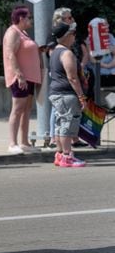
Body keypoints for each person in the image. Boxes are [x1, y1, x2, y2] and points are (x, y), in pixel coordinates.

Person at [2, 5, 42, 154]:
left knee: (26, 110)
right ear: (21, 18)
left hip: (30, 77)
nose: (31, 19)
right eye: (29, 17)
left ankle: (24, 142)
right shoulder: (13, 32)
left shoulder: (23, 32)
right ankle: (12, 143)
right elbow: (10, 54)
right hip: (21, 78)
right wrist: (19, 75)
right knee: (17, 109)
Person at [48, 22, 88, 167]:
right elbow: (72, 77)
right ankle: (67, 156)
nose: (74, 36)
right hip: (66, 94)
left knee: (60, 124)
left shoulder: (54, 51)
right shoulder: (66, 53)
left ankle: (60, 155)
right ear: (66, 36)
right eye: (72, 34)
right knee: (68, 124)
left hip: (56, 93)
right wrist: (81, 96)